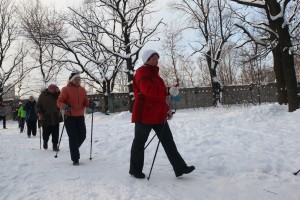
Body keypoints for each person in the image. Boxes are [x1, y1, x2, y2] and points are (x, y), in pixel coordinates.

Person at [129, 49, 195, 179]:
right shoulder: (141, 72)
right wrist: (167, 90)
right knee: (139, 143)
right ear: (147, 60)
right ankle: (135, 170)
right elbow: (149, 91)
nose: (156, 60)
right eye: (153, 58)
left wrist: (167, 109)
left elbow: (160, 96)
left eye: (157, 58)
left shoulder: (158, 77)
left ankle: (180, 168)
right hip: (144, 115)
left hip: (159, 115)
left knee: (168, 142)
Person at [57, 72, 90, 166]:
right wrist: (64, 106)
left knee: (82, 135)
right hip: (69, 116)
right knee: (73, 137)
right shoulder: (65, 89)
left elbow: (86, 102)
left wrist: (90, 104)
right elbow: (59, 101)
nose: (78, 81)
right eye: (76, 79)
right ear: (71, 80)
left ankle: (74, 148)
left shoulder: (83, 90)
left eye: (79, 79)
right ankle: (75, 158)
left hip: (80, 116)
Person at [35, 84, 63, 151]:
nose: (53, 90)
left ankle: (55, 145)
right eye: (52, 89)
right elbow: (37, 105)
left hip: (56, 116)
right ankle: (45, 141)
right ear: (48, 89)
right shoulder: (43, 96)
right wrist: (39, 112)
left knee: (55, 132)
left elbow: (63, 99)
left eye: (54, 88)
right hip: (46, 117)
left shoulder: (58, 95)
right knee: (46, 132)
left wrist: (59, 92)